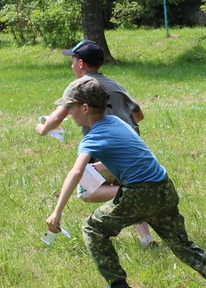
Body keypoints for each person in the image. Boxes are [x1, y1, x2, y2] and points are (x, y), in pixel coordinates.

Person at [44, 77, 206, 288]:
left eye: (70, 107)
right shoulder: (116, 122)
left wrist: (57, 211)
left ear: (85, 108)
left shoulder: (92, 137)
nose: (68, 113)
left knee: (93, 227)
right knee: (183, 246)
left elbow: (76, 172)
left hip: (141, 192)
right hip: (164, 186)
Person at [36, 40, 159, 247]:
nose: (71, 65)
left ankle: (136, 195)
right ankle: (146, 238)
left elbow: (56, 119)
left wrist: (42, 129)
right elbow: (139, 115)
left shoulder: (79, 86)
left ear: (81, 63)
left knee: (87, 191)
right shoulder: (114, 83)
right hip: (132, 152)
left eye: (72, 61)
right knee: (122, 181)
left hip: (106, 155)